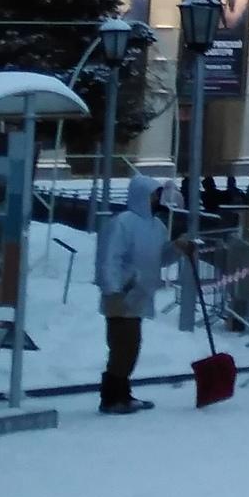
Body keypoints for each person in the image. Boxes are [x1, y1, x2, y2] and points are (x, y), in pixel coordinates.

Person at [97, 175, 183, 415]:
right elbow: (109, 258)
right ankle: (112, 397)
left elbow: (160, 258)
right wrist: (112, 289)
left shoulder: (157, 227)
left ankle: (121, 394)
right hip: (121, 295)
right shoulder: (122, 223)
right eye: (154, 194)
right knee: (122, 346)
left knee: (130, 347)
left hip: (139, 296)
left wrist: (177, 249)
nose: (157, 199)